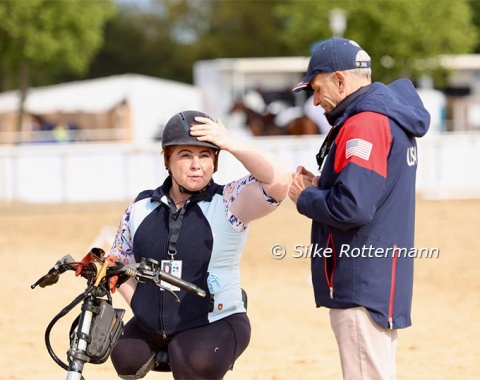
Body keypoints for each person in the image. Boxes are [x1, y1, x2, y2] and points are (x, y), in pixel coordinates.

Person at [109, 110, 291, 379]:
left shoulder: (230, 201)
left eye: (205, 155)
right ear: (167, 160)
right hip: (154, 323)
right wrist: (139, 303)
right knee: (124, 357)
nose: (197, 165)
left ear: (216, 162)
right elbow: (119, 262)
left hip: (216, 320)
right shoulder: (140, 207)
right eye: (185, 155)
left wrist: (230, 142)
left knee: (192, 360)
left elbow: (279, 180)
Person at [288, 38, 430, 379]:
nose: (316, 100)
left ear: (340, 80)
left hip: (360, 279)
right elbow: (371, 191)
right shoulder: (388, 117)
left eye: (317, 88)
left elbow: (351, 207)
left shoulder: (364, 122)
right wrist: (324, 182)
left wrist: (304, 197)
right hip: (381, 277)